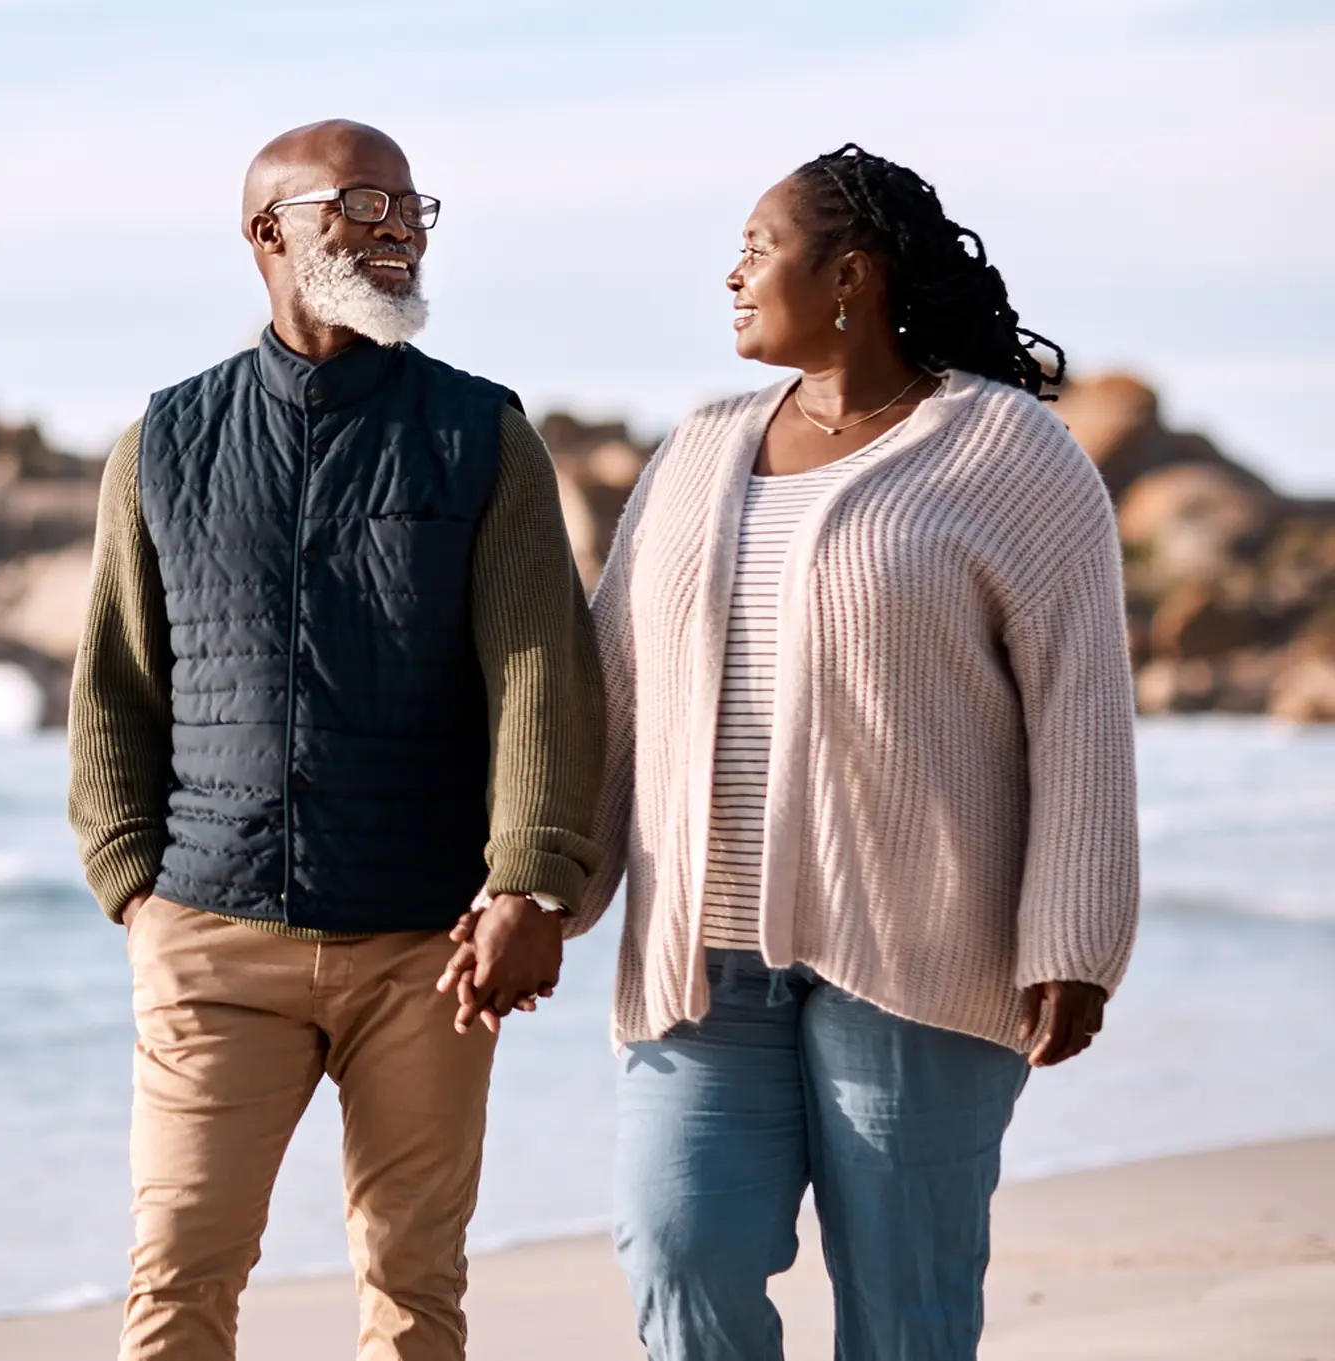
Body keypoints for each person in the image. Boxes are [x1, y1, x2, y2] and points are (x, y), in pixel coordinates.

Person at [450, 143, 1141, 1359]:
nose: (731, 272)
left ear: (850, 275)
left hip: (919, 956)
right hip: (698, 961)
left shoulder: (1010, 455)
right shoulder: (698, 449)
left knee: (905, 1307)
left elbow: (1078, 705)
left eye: (758, 246)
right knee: (675, 1248)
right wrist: (538, 887)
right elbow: (608, 692)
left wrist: (1071, 939)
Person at [66, 118, 602, 1361]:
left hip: (428, 944)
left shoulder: (482, 434)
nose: (399, 230)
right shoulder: (161, 442)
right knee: (176, 1275)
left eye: (413, 208)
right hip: (210, 936)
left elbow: (540, 672)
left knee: (413, 1282)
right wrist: (132, 886)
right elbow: (113, 686)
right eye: (363, 205)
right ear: (269, 232)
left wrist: (530, 879)